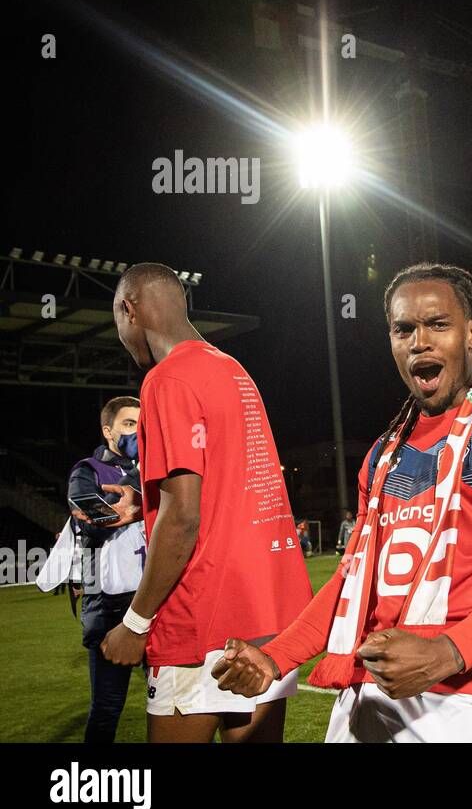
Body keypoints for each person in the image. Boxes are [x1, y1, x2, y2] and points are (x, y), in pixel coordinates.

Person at [212, 263, 472, 743]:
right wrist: (276, 657)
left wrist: (448, 651)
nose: (419, 341)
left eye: (438, 324)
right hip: (365, 692)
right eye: (404, 329)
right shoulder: (383, 453)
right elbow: (351, 578)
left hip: (466, 698)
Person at [98, 263, 313, 742]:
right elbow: (229, 485)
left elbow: (183, 519)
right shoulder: (232, 369)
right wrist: (149, 502)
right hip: (263, 615)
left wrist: (134, 624)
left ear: (128, 309)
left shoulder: (166, 379)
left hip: (200, 618)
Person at [65, 395, 146, 742]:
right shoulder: (88, 470)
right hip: (111, 604)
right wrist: (140, 494)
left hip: (157, 597)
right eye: (129, 424)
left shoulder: (154, 465)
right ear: (108, 430)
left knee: (182, 698)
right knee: (108, 707)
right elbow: (91, 520)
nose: (136, 432)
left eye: (141, 425)